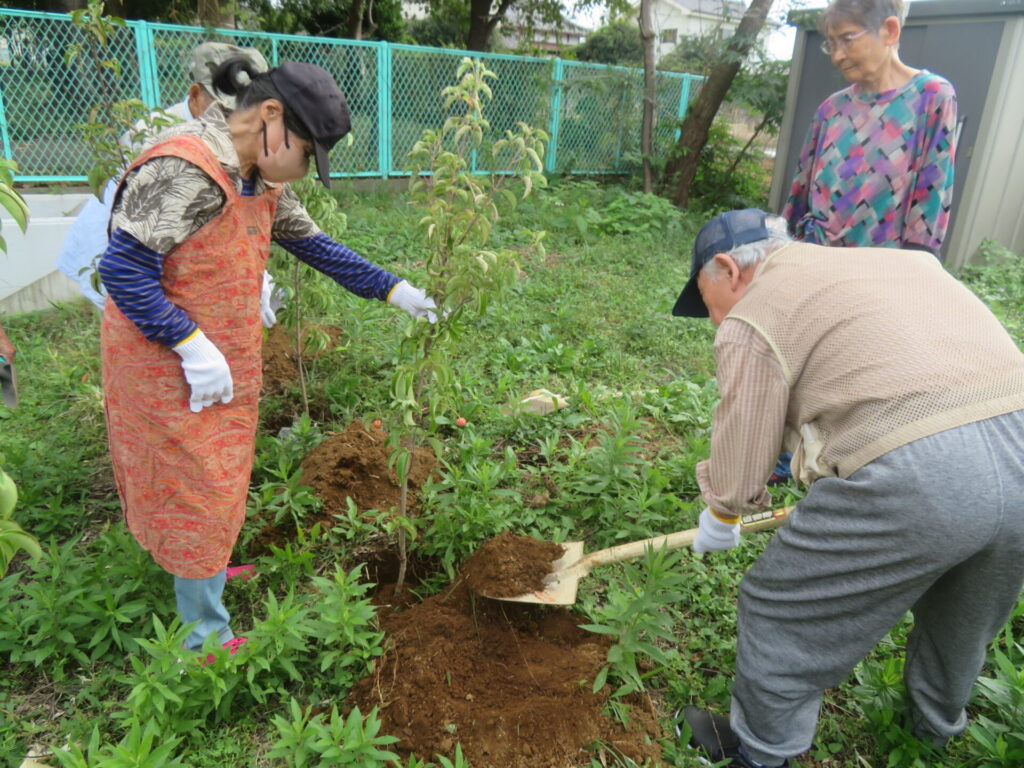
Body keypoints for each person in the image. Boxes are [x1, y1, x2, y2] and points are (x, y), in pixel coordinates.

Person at [97, 57, 438, 656]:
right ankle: (205, 636)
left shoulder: (259, 178)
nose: (304, 169)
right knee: (192, 485)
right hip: (164, 362)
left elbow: (317, 247)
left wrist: (392, 288)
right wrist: (187, 341)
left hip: (219, 358)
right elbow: (123, 269)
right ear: (270, 116)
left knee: (219, 477)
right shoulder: (183, 168)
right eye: (306, 153)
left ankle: (202, 569)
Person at [670, 208, 1024, 768]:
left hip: (918, 473)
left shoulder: (757, 311)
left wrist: (723, 513)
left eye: (709, 305)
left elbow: (741, 446)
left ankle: (760, 755)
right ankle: (932, 735)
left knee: (778, 606)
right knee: (964, 615)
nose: (717, 323)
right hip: (1019, 439)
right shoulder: (897, 264)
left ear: (727, 269)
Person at [56, 42, 274, 312]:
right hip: (123, 247)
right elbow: (138, 247)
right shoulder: (154, 138)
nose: (236, 120)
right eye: (226, 110)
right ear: (195, 95)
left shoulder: (239, 137)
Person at [782, 0, 957, 257]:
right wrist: (782, 246)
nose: (837, 56)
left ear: (889, 31)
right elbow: (799, 192)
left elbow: (934, 189)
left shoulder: (930, 96)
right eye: (831, 44)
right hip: (816, 260)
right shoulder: (831, 109)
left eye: (847, 39)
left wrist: (919, 262)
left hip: (879, 268)